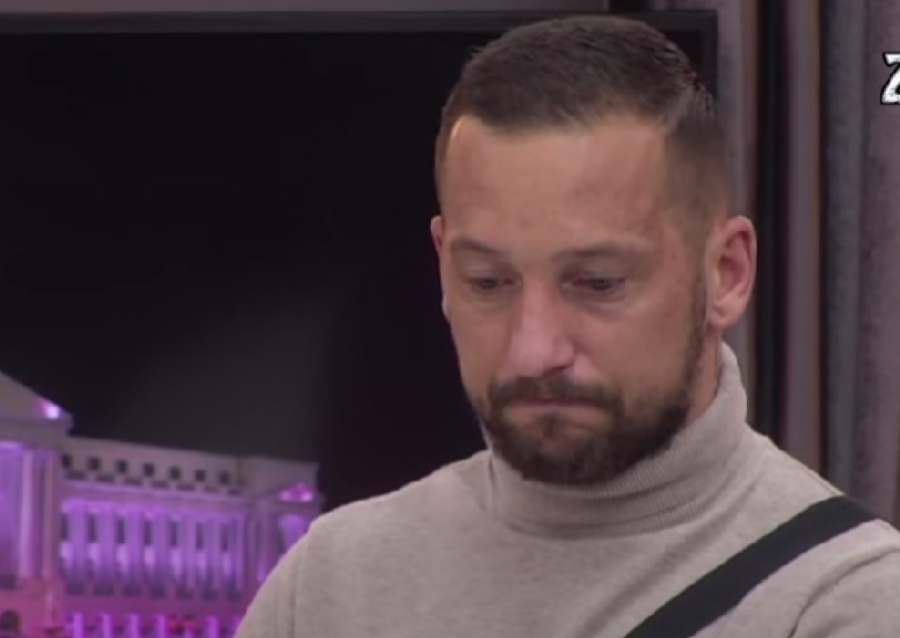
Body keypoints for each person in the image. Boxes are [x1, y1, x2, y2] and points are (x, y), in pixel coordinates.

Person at [236, 15, 900, 637]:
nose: (533, 351)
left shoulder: (847, 600)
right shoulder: (327, 586)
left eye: (599, 282)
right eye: (488, 282)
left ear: (726, 273)